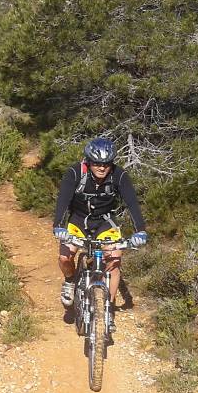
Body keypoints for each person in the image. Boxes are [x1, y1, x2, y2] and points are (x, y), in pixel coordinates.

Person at [52, 137, 147, 332]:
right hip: (78, 220)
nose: (102, 168)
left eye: (106, 164)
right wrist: (58, 226)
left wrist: (141, 230)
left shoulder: (119, 175)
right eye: (97, 163)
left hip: (105, 222)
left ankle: (107, 309)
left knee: (113, 259)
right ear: (88, 161)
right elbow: (63, 200)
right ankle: (70, 281)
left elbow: (132, 203)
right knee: (64, 256)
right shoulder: (75, 173)